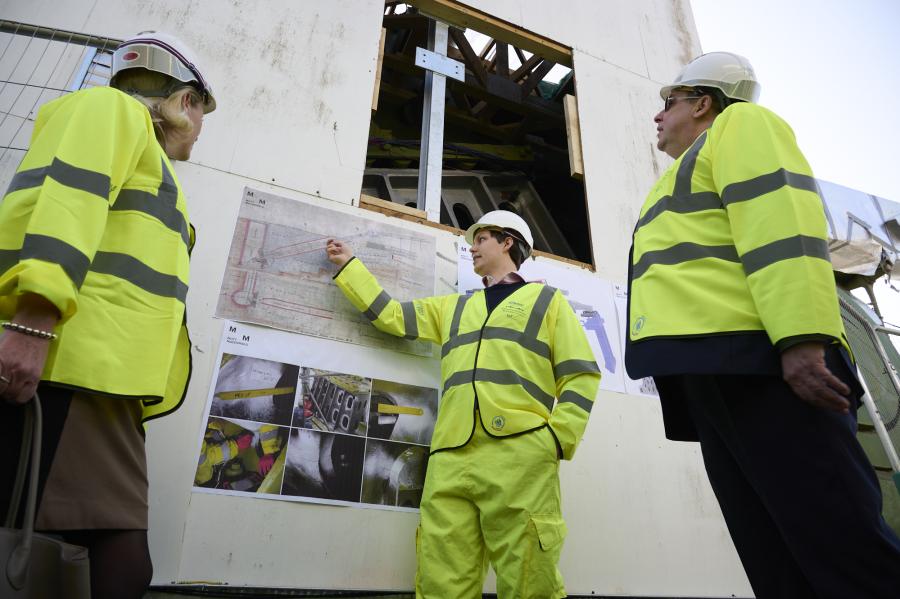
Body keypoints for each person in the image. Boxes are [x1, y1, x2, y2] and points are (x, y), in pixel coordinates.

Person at [626, 51, 900, 598]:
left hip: (763, 363)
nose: (659, 115)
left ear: (704, 103)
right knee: (773, 556)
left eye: (670, 102)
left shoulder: (743, 124)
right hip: (716, 372)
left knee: (841, 546)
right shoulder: (688, 166)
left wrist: (801, 337)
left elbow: (782, 229)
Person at [0, 31, 216, 599]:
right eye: (202, 112)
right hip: (71, 365)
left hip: (101, 377)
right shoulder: (109, 109)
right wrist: (31, 323)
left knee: (97, 541)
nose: (200, 128)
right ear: (185, 101)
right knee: (117, 548)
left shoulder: (149, 159)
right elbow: (69, 203)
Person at [326, 210, 600, 598]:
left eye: (481, 238)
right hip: (450, 459)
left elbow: (581, 374)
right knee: (442, 579)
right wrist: (350, 266)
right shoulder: (453, 308)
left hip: (520, 457)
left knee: (528, 578)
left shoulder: (548, 303)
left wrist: (556, 440)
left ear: (507, 242)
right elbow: (392, 316)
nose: (472, 247)